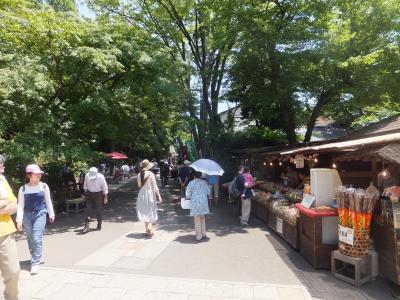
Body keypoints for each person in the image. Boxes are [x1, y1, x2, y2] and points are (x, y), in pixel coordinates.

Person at [16, 164, 55, 275]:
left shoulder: (44, 186)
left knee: (37, 238)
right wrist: (19, 220)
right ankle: (34, 255)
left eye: (39, 173)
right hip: (27, 216)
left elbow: (48, 201)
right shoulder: (23, 189)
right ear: (29, 175)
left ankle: (35, 262)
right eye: (36, 174)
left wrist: (51, 214)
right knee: (30, 238)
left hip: (40, 214)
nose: (39, 175)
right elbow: (20, 205)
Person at [0, 154, 20, 299]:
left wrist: (5, 205)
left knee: (13, 271)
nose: (3, 166)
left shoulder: (2, 180)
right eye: (0, 164)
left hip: (5, 232)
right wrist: (3, 204)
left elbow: (14, 205)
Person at [137, 159, 162, 237]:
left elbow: (139, 185)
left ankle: (147, 229)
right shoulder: (151, 174)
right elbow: (155, 186)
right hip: (150, 194)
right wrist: (159, 196)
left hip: (142, 195)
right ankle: (149, 228)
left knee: (144, 211)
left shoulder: (139, 174)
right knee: (150, 210)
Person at [81, 167, 108, 233]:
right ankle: (86, 227)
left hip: (99, 194)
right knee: (88, 210)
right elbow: (85, 186)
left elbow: (105, 187)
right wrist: (86, 193)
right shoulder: (87, 176)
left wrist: (105, 197)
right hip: (89, 194)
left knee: (99, 210)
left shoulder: (101, 177)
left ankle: (99, 225)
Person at [186, 171, 211, 241]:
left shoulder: (191, 183)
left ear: (194, 176)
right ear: (200, 176)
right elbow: (208, 192)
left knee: (197, 219)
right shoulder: (204, 183)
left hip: (195, 202)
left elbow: (187, 195)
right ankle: (203, 233)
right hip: (203, 202)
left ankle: (199, 236)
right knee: (202, 218)